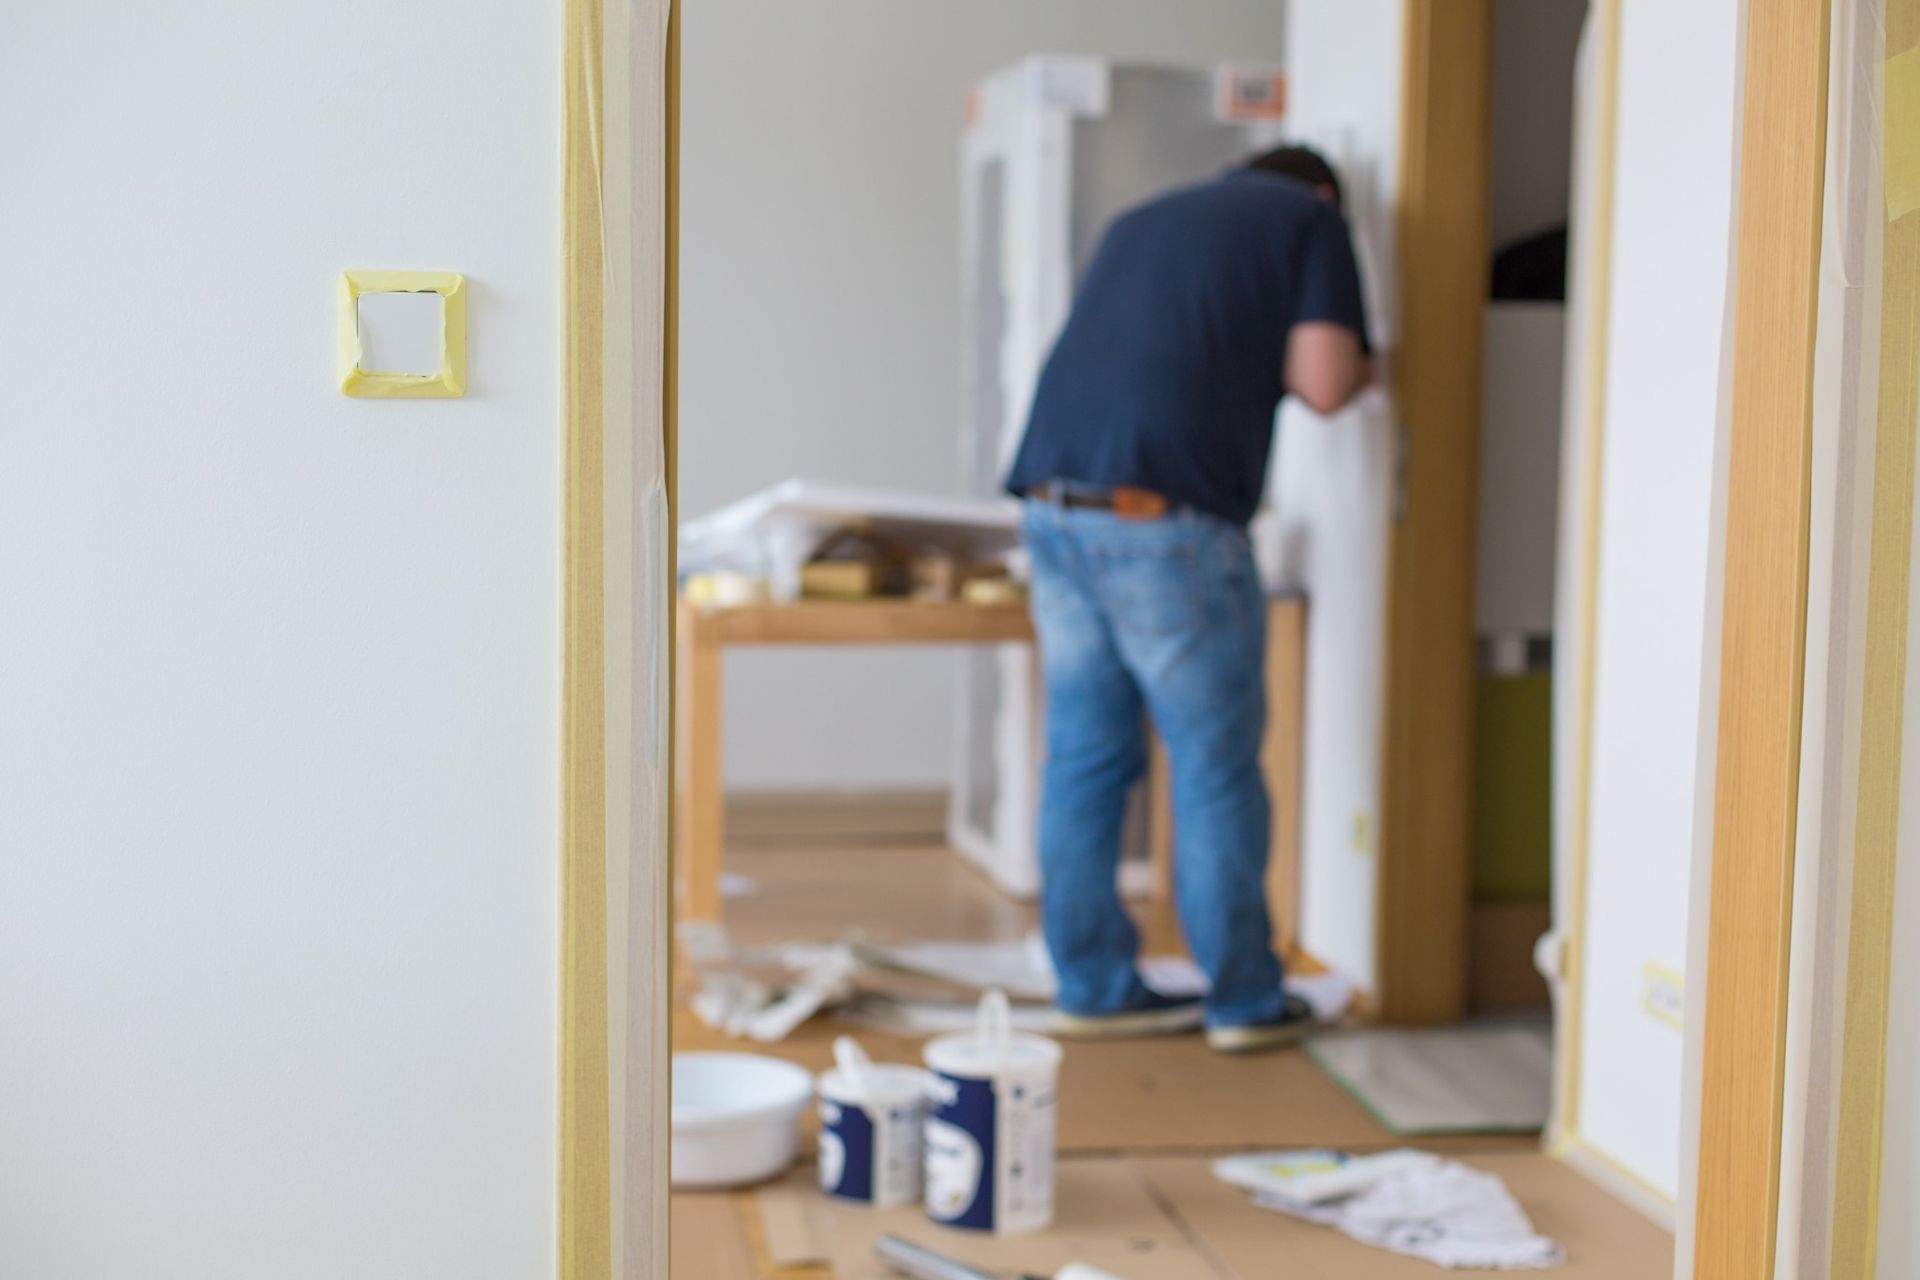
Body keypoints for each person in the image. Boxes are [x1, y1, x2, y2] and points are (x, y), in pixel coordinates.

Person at [1005, 145, 1371, 1054]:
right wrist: (1380, 365)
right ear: (1323, 193)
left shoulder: (1141, 217)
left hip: (1052, 505)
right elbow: (1324, 382)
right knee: (1212, 765)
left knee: (1085, 759)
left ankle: (1091, 987)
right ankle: (1245, 999)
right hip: (1167, 520)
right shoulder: (1310, 220)